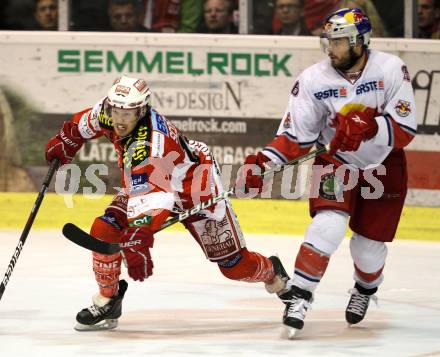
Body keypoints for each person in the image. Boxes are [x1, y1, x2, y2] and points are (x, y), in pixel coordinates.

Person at [45, 75, 289, 331]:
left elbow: (158, 198)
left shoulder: (149, 145)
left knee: (234, 266)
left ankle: (273, 272)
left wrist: (139, 233)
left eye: (127, 114)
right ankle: (109, 299)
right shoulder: (111, 110)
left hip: (195, 186)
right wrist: (67, 138)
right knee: (105, 229)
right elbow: (83, 124)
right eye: (116, 111)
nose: (119, 120)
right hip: (151, 182)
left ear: (142, 110)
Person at [241, 8, 417, 336]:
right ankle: (300, 297)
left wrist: (370, 128)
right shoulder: (313, 79)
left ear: (359, 41)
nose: (330, 49)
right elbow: (296, 137)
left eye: (338, 42)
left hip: (384, 166)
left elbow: (405, 128)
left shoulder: (391, 69)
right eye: (328, 42)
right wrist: (264, 162)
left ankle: (365, 289)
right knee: (328, 226)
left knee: (367, 250)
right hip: (335, 162)